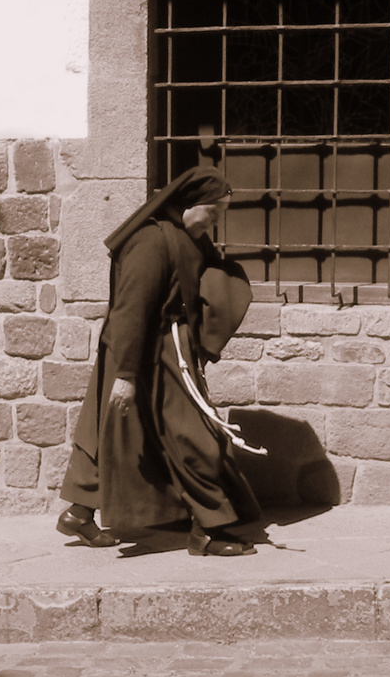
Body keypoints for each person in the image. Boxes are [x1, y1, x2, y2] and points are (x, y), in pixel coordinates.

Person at [56, 166, 263, 556]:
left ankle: (79, 514)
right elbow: (130, 311)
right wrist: (127, 375)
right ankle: (209, 528)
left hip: (167, 350)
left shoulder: (189, 239)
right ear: (193, 204)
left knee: (121, 434)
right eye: (215, 212)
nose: (217, 221)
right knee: (195, 435)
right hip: (142, 353)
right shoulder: (150, 242)